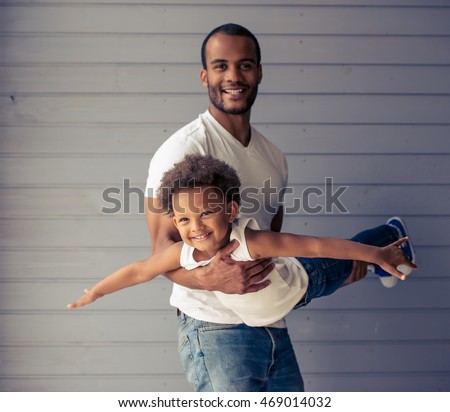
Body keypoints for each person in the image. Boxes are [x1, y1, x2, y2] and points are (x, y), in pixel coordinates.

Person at [69, 154, 417, 391]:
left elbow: (314, 246)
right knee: (349, 270)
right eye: (185, 219)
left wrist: (374, 253)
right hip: (273, 313)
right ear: (175, 222)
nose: (197, 226)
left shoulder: (251, 242)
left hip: (302, 284)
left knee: (343, 264)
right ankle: (378, 256)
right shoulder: (184, 253)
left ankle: (386, 240)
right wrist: (96, 292)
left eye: (207, 213)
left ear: (231, 210)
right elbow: (138, 271)